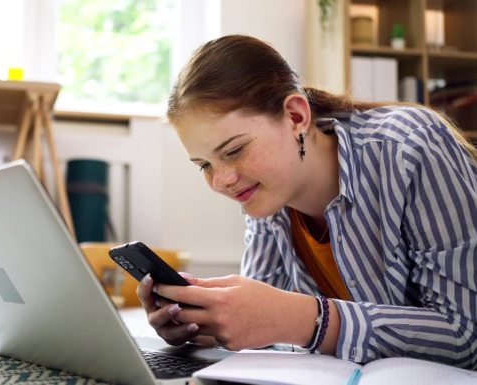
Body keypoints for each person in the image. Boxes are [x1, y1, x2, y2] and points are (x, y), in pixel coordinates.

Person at [137, 34, 477, 370]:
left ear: (296, 116)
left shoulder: (409, 146)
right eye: (205, 165)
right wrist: (201, 324)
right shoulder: (266, 197)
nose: (221, 180)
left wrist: (306, 319)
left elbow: (466, 335)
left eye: (235, 150)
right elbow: (264, 327)